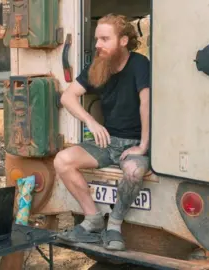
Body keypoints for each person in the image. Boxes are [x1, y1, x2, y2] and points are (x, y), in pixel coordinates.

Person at [54, 13, 150, 251]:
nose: (97, 45)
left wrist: (144, 146)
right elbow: (67, 96)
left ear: (123, 41)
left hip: (134, 143)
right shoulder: (98, 66)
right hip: (108, 142)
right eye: (97, 39)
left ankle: (114, 225)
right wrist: (91, 122)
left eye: (105, 39)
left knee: (134, 171)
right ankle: (93, 219)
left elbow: (146, 105)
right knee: (62, 161)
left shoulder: (139, 64)